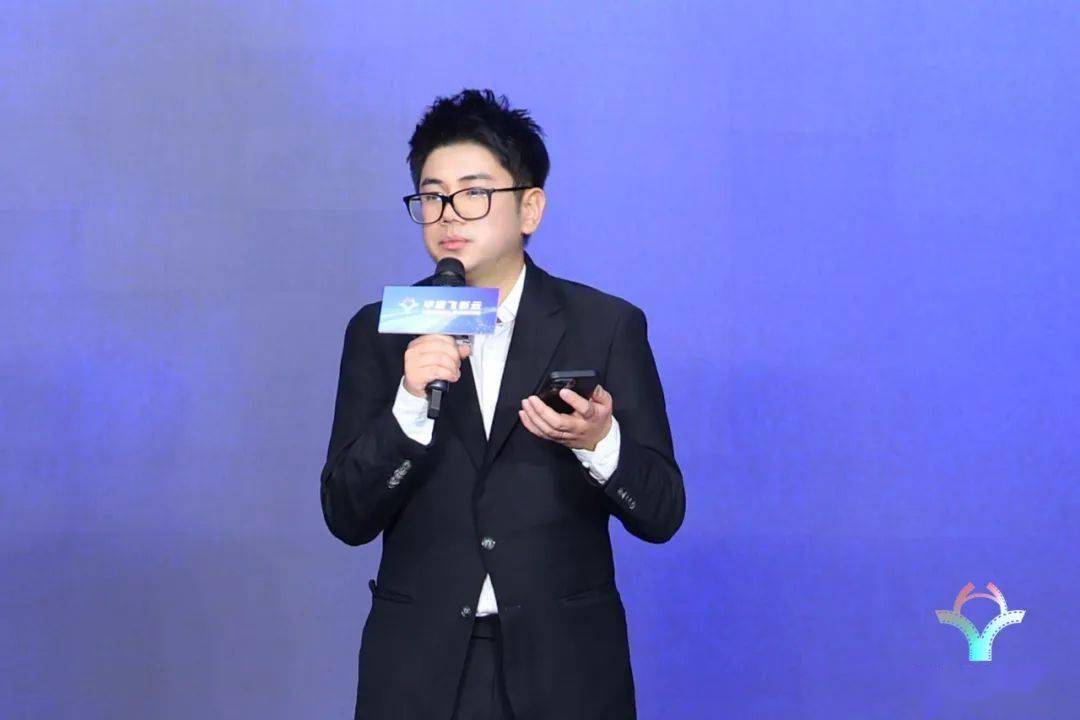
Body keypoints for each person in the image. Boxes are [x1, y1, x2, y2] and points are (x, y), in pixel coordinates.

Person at [320, 89, 685, 719]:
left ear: (530, 207)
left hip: (566, 671)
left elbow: (662, 512)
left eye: (474, 193)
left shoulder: (605, 325)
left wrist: (599, 443)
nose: (448, 215)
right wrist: (408, 408)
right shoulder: (382, 330)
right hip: (420, 673)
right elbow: (346, 516)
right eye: (432, 196)